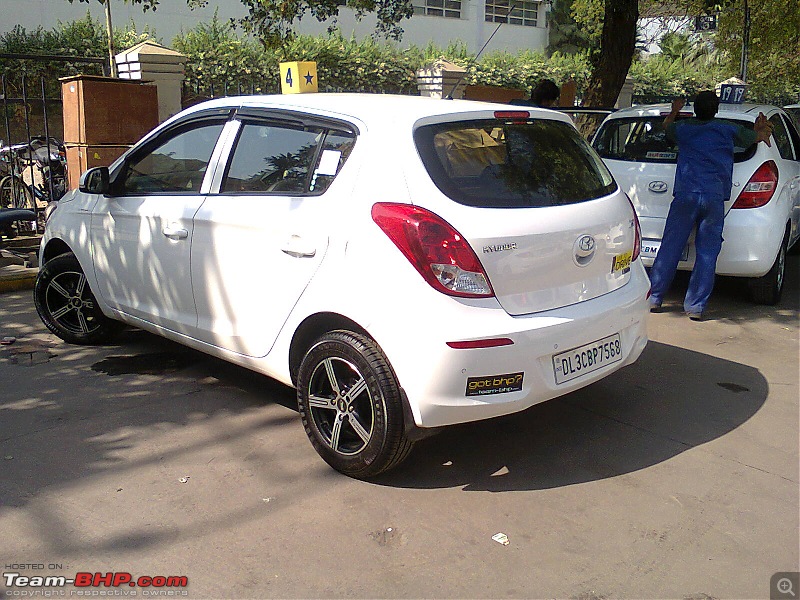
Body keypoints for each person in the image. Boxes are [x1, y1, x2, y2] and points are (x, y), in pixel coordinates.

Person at [649, 91, 774, 320]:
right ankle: (695, 307)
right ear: (716, 109)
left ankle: (655, 297)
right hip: (714, 196)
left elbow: (667, 127)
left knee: (670, 247)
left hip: (686, 195)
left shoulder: (683, 128)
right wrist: (760, 129)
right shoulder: (727, 129)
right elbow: (756, 138)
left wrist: (675, 110)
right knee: (707, 253)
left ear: (694, 109)